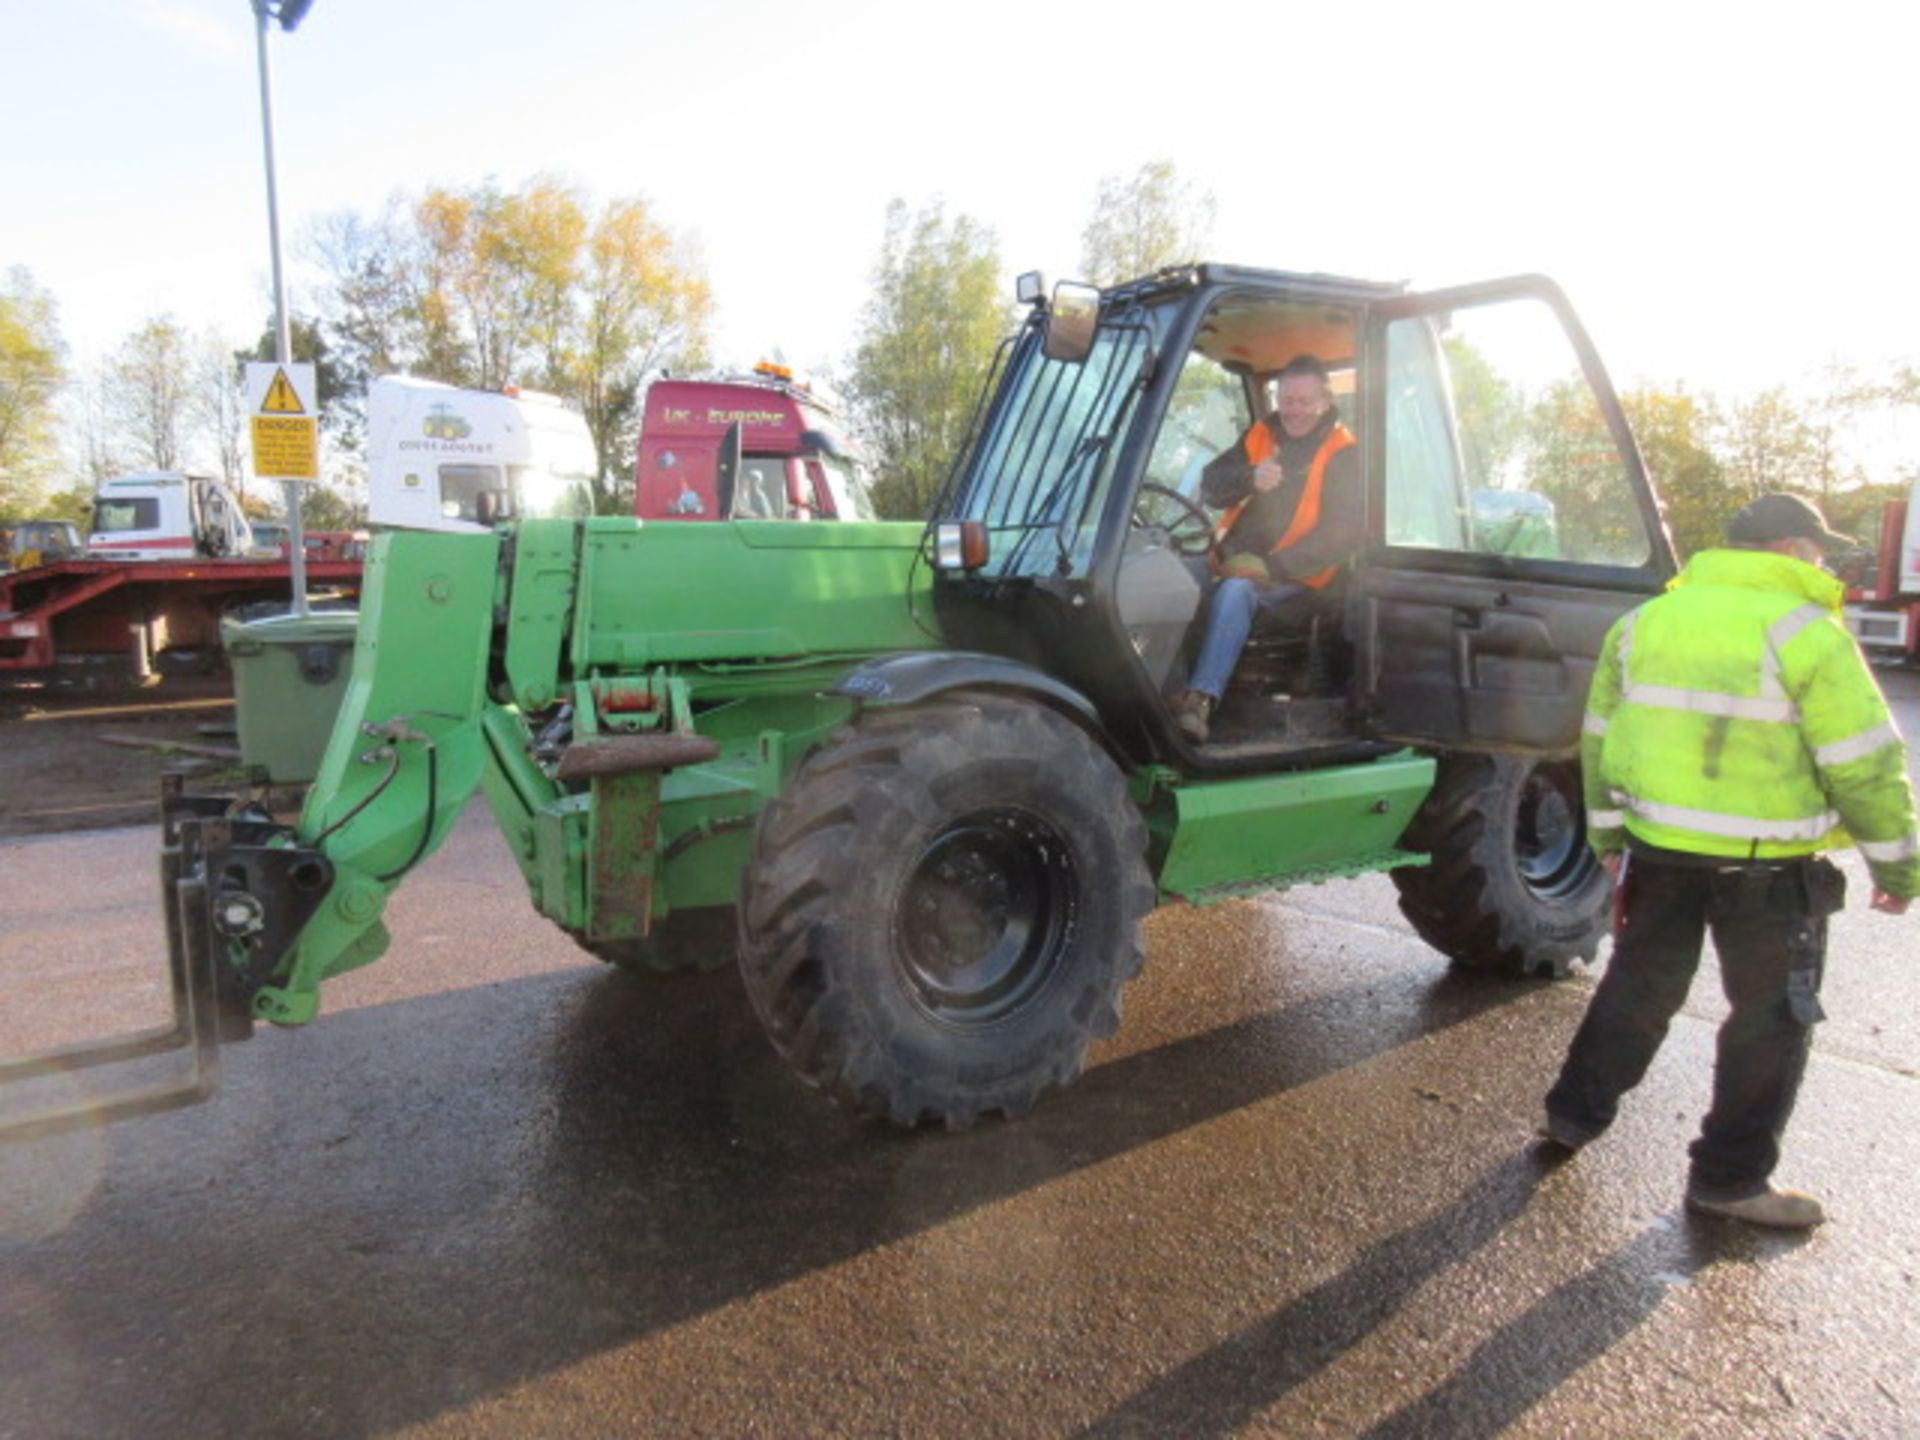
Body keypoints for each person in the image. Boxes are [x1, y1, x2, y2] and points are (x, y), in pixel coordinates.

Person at [1540, 492, 1919, 1229]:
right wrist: (1898, 868)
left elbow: (1600, 743)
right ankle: (1730, 1180)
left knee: (1639, 988)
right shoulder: (1808, 634)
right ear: (1787, 551)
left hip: (1659, 856)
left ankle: (1573, 1115)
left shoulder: (1642, 623)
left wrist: (1610, 842)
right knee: (1772, 1019)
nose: (1822, 561)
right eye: (1816, 549)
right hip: (1768, 873)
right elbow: (1865, 766)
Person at [1173, 354, 1364, 744]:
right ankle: (1157, 687)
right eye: (1287, 400)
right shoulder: (1262, 435)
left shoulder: (1343, 452)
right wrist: (1248, 477)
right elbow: (1212, 486)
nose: (1294, 411)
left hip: (1302, 579)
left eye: (1304, 402)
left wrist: (1271, 567)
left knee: (1235, 593)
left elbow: (1342, 534)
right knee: (1172, 574)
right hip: (1232, 561)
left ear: (1325, 401)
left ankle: (1200, 700)